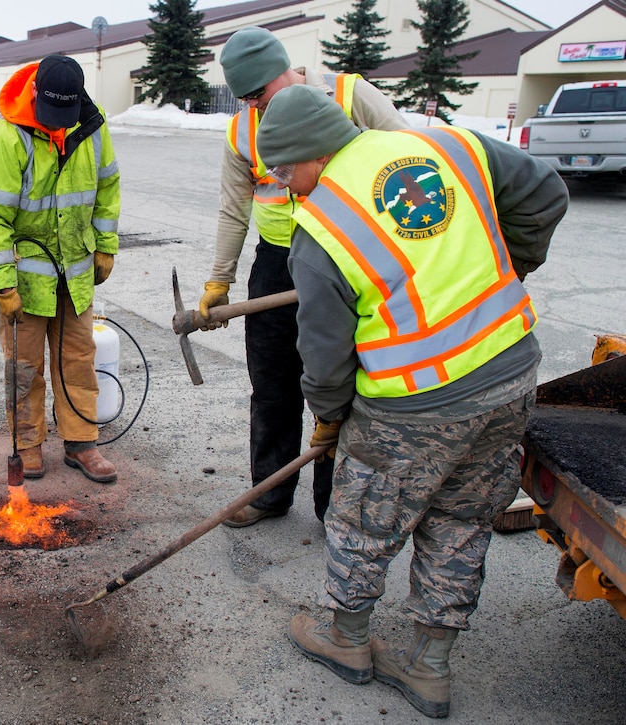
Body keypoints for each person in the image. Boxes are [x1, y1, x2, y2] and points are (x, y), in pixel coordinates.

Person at [254, 84, 568, 718]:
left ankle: (347, 641)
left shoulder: (320, 228)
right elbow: (545, 193)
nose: (289, 188)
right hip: (508, 374)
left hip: (415, 405)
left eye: (287, 172)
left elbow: (323, 351)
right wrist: (513, 265)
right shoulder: (445, 142)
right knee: (462, 521)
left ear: (315, 153)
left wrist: (331, 415)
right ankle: (430, 667)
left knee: (364, 518)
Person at [197, 27, 408, 527]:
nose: (255, 107)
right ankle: (270, 492)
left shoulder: (350, 95)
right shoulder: (242, 129)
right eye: (246, 99)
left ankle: (334, 506)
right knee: (271, 383)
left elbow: (407, 158)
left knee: (340, 380)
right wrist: (218, 281)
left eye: (260, 94)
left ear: (284, 70)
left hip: (348, 256)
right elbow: (233, 211)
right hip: (276, 262)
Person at [0, 55, 120, 484]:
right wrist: (2, 285)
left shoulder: (91, 126)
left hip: (75, 273)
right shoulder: (5, 137)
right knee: (24, 366)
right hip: (24, 278)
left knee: (78, 359)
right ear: (34, 92)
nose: (57, 125)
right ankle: (29, 444)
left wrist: (105, 245)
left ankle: (81, 443)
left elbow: (108, 185)